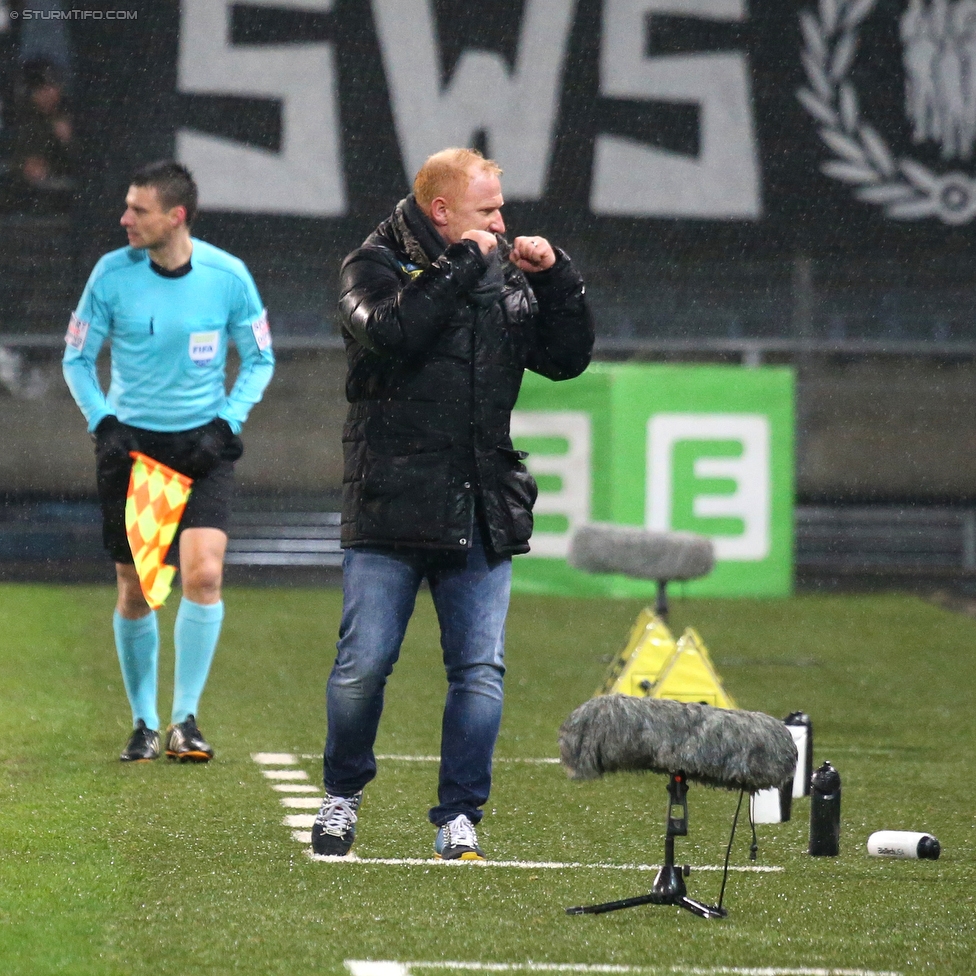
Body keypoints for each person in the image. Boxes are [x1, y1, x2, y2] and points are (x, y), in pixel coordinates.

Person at [313, 147, 594, 859]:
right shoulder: (368, 265)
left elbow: (567, 358)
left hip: (479, 504)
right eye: (488, 210)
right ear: (441, 213)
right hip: (388, 502)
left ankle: (459, 816)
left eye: (501, 208)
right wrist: (464, 265)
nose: (503, 223)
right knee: (364, 665)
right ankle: (341, 796)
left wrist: (557, 279)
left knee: (479, 670)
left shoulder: (503, 273)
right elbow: (392, 330)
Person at [62, 161, 275, 764]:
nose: (125, 219)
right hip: (134, 450)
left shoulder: (227, 276)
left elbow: (260, 358)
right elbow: (77, 359)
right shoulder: (111, 275)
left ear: (176, 216)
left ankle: (185, 719)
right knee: (138, 592)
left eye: (139, 210)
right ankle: (143, 723)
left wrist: (227, 423)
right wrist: (101, 420)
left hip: (203, 448)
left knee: (204, 575)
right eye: (127, 207)